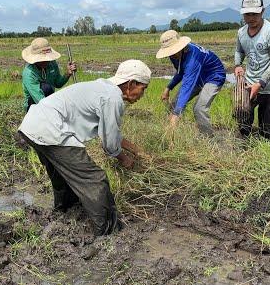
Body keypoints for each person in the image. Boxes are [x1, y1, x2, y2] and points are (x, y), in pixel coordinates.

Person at [16, 60, 151, 236]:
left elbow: (110, 133)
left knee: (61, 174)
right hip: (52, 130)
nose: (143, 94)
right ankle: (108, 234)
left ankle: (65, 213)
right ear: (131, 84)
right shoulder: (112, 98)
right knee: (95, 180)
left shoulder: (103, 88)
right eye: (143, 88)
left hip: (32, 126)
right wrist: (124, 159)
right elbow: (109, 145)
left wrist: (137, 150)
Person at [234, 0, 270, 139]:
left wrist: (260, 83)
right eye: (247, 14)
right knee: (243, 124)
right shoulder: (241, 32)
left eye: (254, 14)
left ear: (262, 11)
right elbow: (239, 50)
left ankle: (266, 154)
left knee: (268, 131)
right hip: (248, 85)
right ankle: (245, 151)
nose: (251, 18)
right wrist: (237, 65)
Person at [156, 30, 226, 135]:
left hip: (214, 76)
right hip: (198, 76)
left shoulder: (193, 57)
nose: (172, 55)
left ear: (181, 46)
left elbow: (187, 85)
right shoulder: (174, 55)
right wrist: (168, 88)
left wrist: (176, 114)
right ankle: (172, 133)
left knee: (199, 108)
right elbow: (181, 72)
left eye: (173, 51)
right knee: (175, 104)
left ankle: (208, 138)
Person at [21, 37, 77, 112]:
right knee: (46, 88)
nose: (46, 61)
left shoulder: (52, 63)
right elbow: (39, 99)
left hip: (49, 100)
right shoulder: (29, 73)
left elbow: (58, 83)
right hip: (34, 105)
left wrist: (68, 73)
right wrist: (57, 109)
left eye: (47, 59)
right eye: (43, 59)